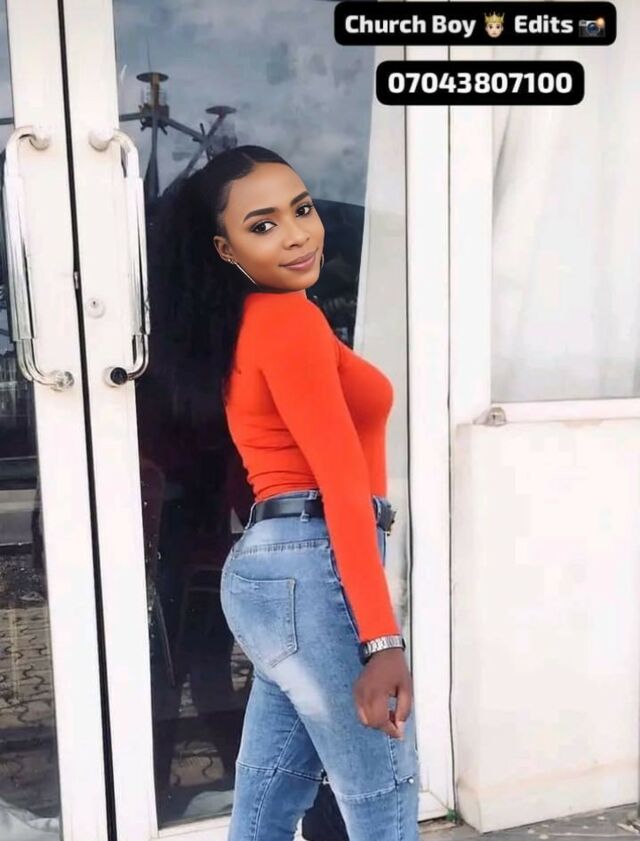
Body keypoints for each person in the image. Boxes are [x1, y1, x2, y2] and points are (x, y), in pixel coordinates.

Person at [170, 144, 420, 840]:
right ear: (226, 250)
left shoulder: (253, 322)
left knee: (269, 800)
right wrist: (382, 640)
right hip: (312, 565)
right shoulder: (286, 320)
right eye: (264, 225)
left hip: (273, 571)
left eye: (301, 210)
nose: (297, 234)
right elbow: (340, 478)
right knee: (383, 797)